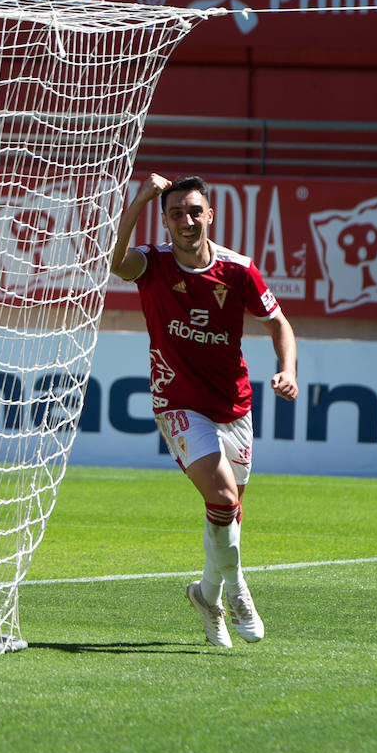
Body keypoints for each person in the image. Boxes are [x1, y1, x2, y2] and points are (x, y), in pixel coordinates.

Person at [111, 174, 298, 648]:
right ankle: (237, 592)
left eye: (194, 211)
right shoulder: (152, 264)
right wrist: (139, 199)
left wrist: (288, 369)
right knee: (223, 500)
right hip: (177, 403)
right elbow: (115, 262)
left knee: (231, 514)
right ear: (165, 220)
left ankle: (205, 593)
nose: (187, 221)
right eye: (176, 213)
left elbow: (279, 322)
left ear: (209, 215)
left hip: (233, 406)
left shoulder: (238, 270)